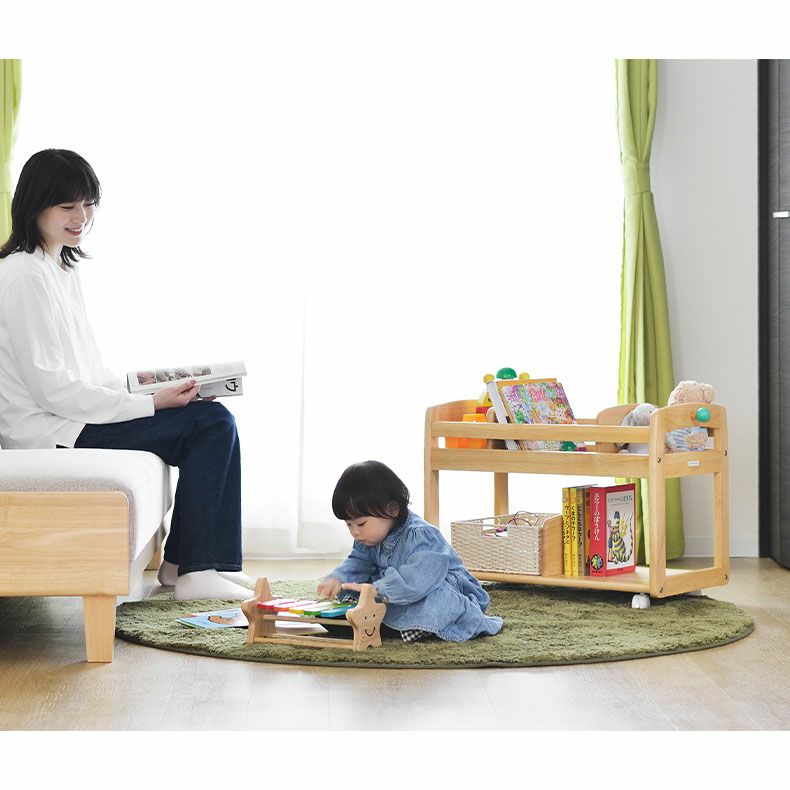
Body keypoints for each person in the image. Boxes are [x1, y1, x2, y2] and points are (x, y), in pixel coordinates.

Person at [0, 149, 250, 601]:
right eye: (68, 206)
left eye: (88, 203)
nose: (82, 217)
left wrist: (154, 390)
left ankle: (181, 565)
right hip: (54, 431)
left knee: (208, 416)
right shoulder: (23, 276)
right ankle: (195, 570)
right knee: (212, 425)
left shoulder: (59, 267)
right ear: (35, 206)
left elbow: (89, 370)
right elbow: (51, 389)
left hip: (74, 417)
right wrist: (150, 404)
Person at [317, 460, 503, 642]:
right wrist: (339, 578)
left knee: (433, 602)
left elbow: (419, 580)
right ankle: (381, 621)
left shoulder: (421, 534)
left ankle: (407, 626)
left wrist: (379, 589)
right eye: (349, 524)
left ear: (392, 510)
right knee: (355, 592)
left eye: (361, 523)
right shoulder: (367, 538)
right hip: (395, 590)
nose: (355, 531)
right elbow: (358, 562)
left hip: (431, 585)